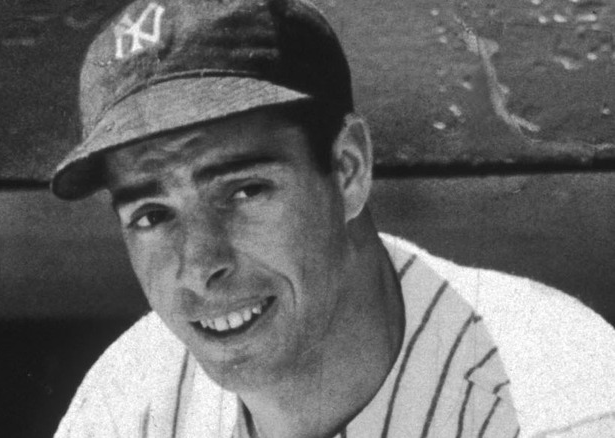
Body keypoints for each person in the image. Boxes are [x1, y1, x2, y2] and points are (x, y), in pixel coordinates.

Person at [50, 0, 615, 436]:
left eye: (245, 191)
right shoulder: (132, 398)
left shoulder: (562, 400)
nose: (200, 266)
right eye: (151, 216)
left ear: (347, 169)